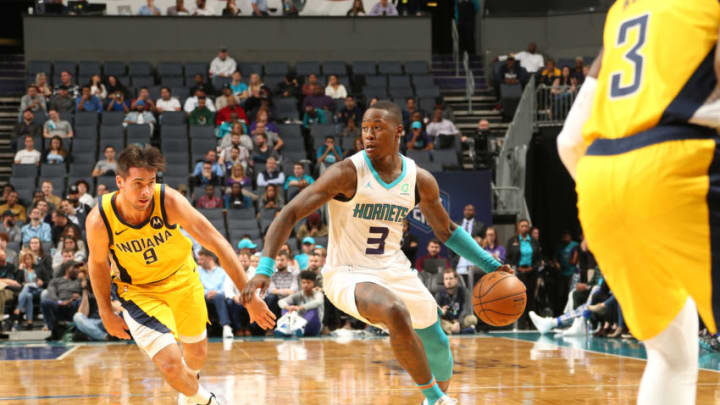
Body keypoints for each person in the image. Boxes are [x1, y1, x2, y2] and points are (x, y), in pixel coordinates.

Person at [242, 100, 512, 405]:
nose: (368, 135)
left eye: (377, 128)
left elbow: (447, 230)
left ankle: (435, 399)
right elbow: (289, 213)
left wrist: (491, 264)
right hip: (347, 273)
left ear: (399, 132)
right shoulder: (347, 173)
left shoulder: (418, 179)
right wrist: (263, 269)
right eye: (365, 129)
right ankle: (437, 399)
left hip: (394, 268)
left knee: (436, 339)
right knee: (395, 311)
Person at [86, 145, 274, 405]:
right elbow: (97, 265)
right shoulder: (99, 219)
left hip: (183, 279)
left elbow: (217, 243)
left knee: (196, 356)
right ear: (119, 182)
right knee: (171, 364)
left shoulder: (168, 201)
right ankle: (206, 400)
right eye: (137, 183)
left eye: (151, 182)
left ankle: (188, 393)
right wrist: (106, 311)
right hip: (139, 292)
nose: (145, 191)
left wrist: (248, 295)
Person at [505, 219, 541, 329]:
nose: (524, 228)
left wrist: (532, 268)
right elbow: (508, 258)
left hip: (531, 273)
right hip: (518, 273)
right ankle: (519, 324)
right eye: (522, 226)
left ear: (529, 228)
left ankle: (532, 324)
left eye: (526, 226)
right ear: (518, 227)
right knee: (519, 299)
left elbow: (539, 259)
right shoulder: (512, 241)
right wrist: (516, 267)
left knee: (531, 299)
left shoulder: (534, 241)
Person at [277, 270, 324, 337]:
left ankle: (300, 327)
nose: (305, 285)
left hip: (314, 326)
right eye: (303, 282)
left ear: (313, 283)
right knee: (286, 307)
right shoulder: (299, 294)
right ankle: (285, 326)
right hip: (297, 327)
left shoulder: (318, 294)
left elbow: (318, 302)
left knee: (313, 308)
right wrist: (288, 307)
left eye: (308, 283)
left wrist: (301, 307)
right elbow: (280, 302)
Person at [435, 268, 476, 335]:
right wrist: (441, 311)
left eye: (451, 278)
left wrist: (458, 322)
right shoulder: (439, 294)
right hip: (446, 321)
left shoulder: (464, 292)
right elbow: (434, 311)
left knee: (472, 319)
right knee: (437, 322)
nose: (448, 281)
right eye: (446, 279)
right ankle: (462, 331)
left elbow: (466, 310)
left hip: (461, 319)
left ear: (456, 280)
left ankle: (452, 330)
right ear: (443, 281)